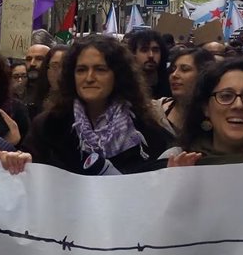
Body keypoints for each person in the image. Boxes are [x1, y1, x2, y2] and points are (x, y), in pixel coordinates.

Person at [24, 35, 173, 175]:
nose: (89, 78)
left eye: (100, 70)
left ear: (118, 75)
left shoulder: (146, 130)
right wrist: (17, 162)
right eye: (81, 70)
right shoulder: (48, 127)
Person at [152, 46, 213, 136]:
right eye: (173, 69)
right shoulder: (154, 111)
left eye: (184, 69)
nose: (174, 75)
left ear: (203, 74)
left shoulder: (216, 114)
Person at [125, 30, 171, 100]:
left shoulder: (170, 84)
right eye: (144, 50)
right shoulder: (124, 85)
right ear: (133, 54)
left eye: (155, 50)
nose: (151, 55)